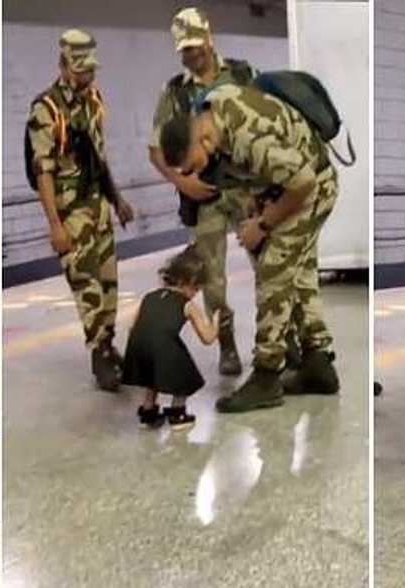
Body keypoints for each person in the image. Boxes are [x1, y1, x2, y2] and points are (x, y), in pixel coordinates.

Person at [159, 83, 340, 413]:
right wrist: (257, 209)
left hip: (313, 187)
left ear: (201, 139)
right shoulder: (211, 118)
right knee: (295, 273)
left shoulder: (247, 135)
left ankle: (267, 376)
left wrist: (264, 224)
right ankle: (318, 364)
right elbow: (255, 174)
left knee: (274, 271)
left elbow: (303, 183)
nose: (194, 172)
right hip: (283, 187)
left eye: (192, 164)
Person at [148, 7, 258, 376]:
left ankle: (278, 340)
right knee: (211, 276)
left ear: (209, 38)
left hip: (246, 190)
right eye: (184, 51)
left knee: (269, 264)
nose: (192, 56)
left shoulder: (243, 75)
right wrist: (183, 182)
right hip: (204, 194)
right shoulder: (175, 92)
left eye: (196, 47)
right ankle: (226, 344)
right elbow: (155, 150)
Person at [26, 29, 136, 392]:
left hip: (99, 207)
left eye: (91, 69)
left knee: (108, 283)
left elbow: (99, 157)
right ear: (63, 64)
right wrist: (54, 225)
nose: (88, 76)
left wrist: (117, 199)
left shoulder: (94, 100)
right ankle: (99, 353)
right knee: (86, 286)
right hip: (70, 213)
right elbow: (43, 171)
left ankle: (107, 343)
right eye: (81, 69)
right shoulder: (47, 108)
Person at [122, 244, 219, 430]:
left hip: (138, 346)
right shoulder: (187, 304)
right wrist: (215, 323)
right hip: (162, 347)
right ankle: (178, 414)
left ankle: (148, 412)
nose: (195, 294)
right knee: (184, 376)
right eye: (196, 289)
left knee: (152, 375)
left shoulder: (149, 297)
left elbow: (133, 325)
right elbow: (207, 338)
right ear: (186, 282)